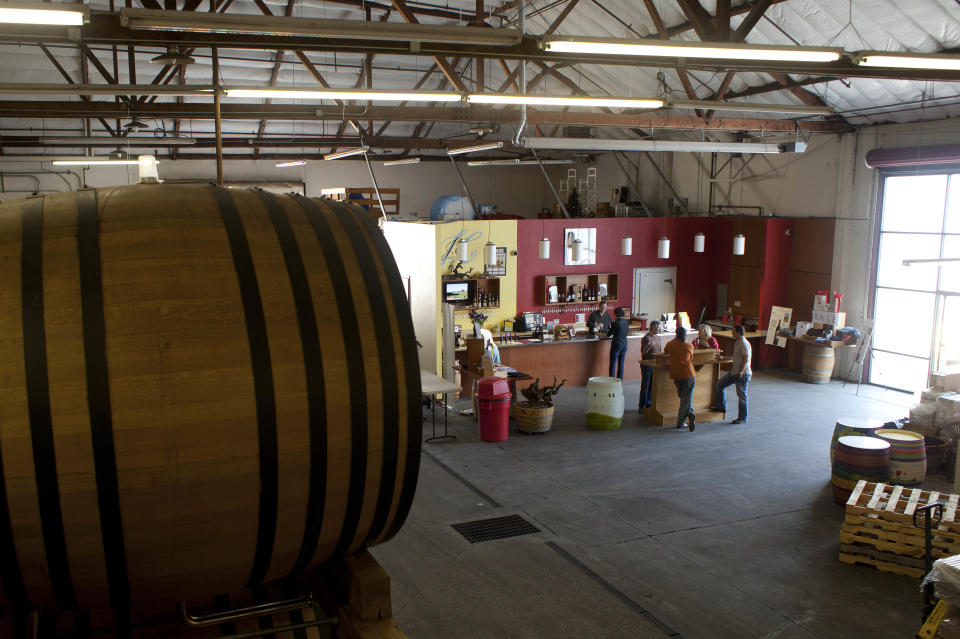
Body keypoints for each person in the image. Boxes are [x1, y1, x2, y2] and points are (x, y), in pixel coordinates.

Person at [712, 324, 752, 424]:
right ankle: (721, 407)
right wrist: (723, 358)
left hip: (742, 374)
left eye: (733, 331)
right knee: (719, 384)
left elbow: (745, 358)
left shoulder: (743, 343)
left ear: (738, 332)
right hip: (734, 372)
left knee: (742, 395)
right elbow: (735, 356)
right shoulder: (737, 342)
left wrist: (740, 371)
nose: (732, 333)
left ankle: (742, 418)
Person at [664, 326, 696, 431]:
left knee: (684, 398)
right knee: (686, 399)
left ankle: (690, 415)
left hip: (676, 375)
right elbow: (691, 358)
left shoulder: (671, 344)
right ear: (685, 335)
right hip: (688, 375)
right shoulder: (689, 346)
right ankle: (681, 422)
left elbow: (665, 352)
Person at [638, 320, 660, 410]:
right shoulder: (646, 338)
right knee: (645, 386)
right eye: (658, 327)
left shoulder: (658, 337)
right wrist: (647, 347)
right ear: (652, 327)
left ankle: (648, 404)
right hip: (647, 365)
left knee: (652, 385)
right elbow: (643, 353)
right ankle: (642, 406)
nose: (659, 329)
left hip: (655, 364)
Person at [607, 307, 630, 379]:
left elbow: (608, 334)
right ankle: (620, 380)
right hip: (625, 344)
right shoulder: (626, 322)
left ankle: (612, 380)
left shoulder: (616, 323)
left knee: (613, 363)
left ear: (616, 314)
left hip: (617, 344)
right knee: (621, 364)